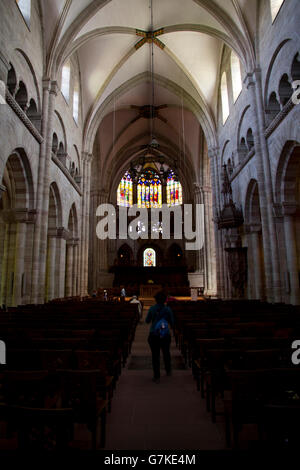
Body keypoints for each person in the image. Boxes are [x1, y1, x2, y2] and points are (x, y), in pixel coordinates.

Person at [145, 291, 174, 384]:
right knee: (166, 352)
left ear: (156, 300)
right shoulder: (168, 309)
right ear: (165, 300)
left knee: (155, 355)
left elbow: (147, 320)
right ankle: (168, 370)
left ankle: (156, 375)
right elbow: (172, 322)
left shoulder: (152, 309)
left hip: (154, 334)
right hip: (165, 333)